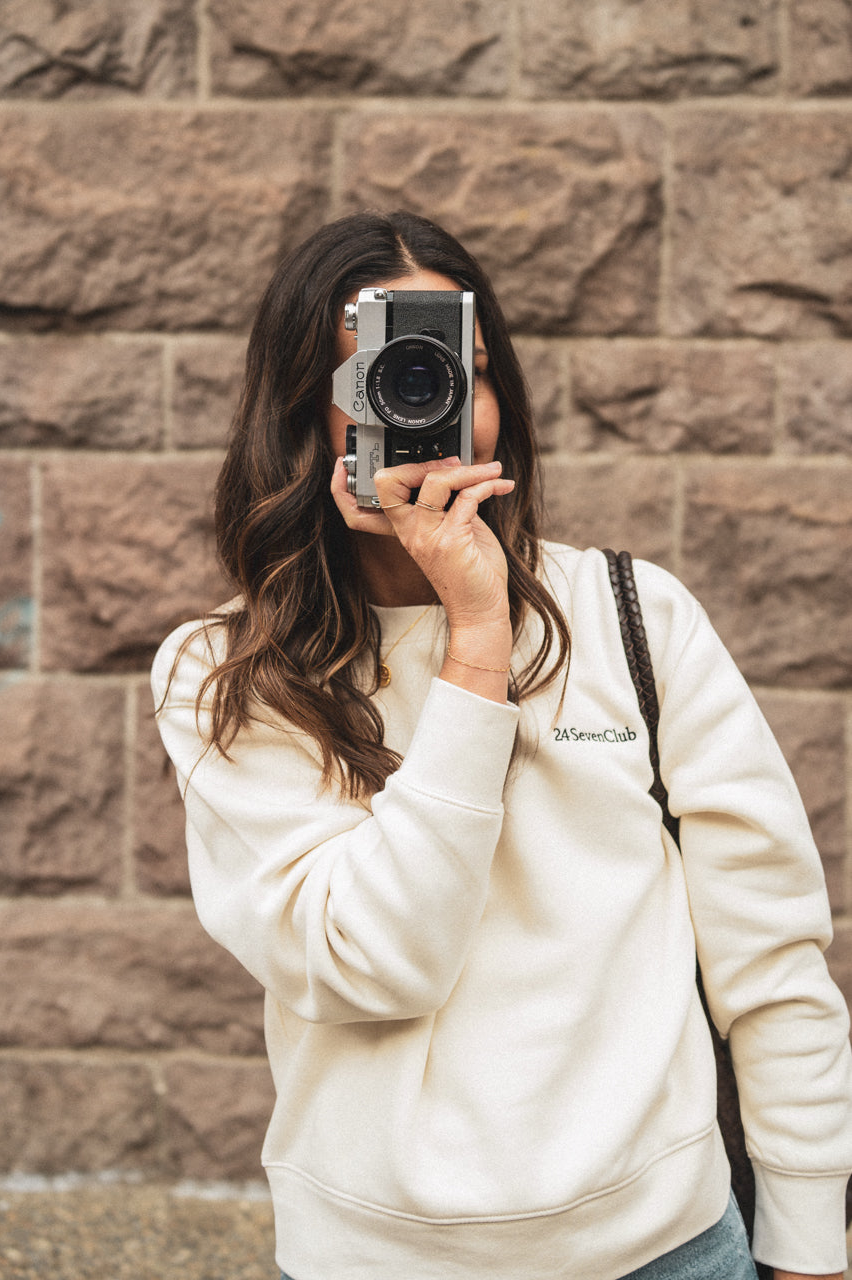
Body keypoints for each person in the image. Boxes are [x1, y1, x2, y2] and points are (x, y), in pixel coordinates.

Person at [152, 210, 852, 1280]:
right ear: (305, 413)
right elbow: (376, 961)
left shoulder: (632, 615)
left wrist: (807, 1239)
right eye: (386, 374)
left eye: (454, 371)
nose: (430, 404)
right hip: (375, 1260)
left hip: (665, 1247)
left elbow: (769, 956)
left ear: (500, 399)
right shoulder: (223, 676)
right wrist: (476, 636)